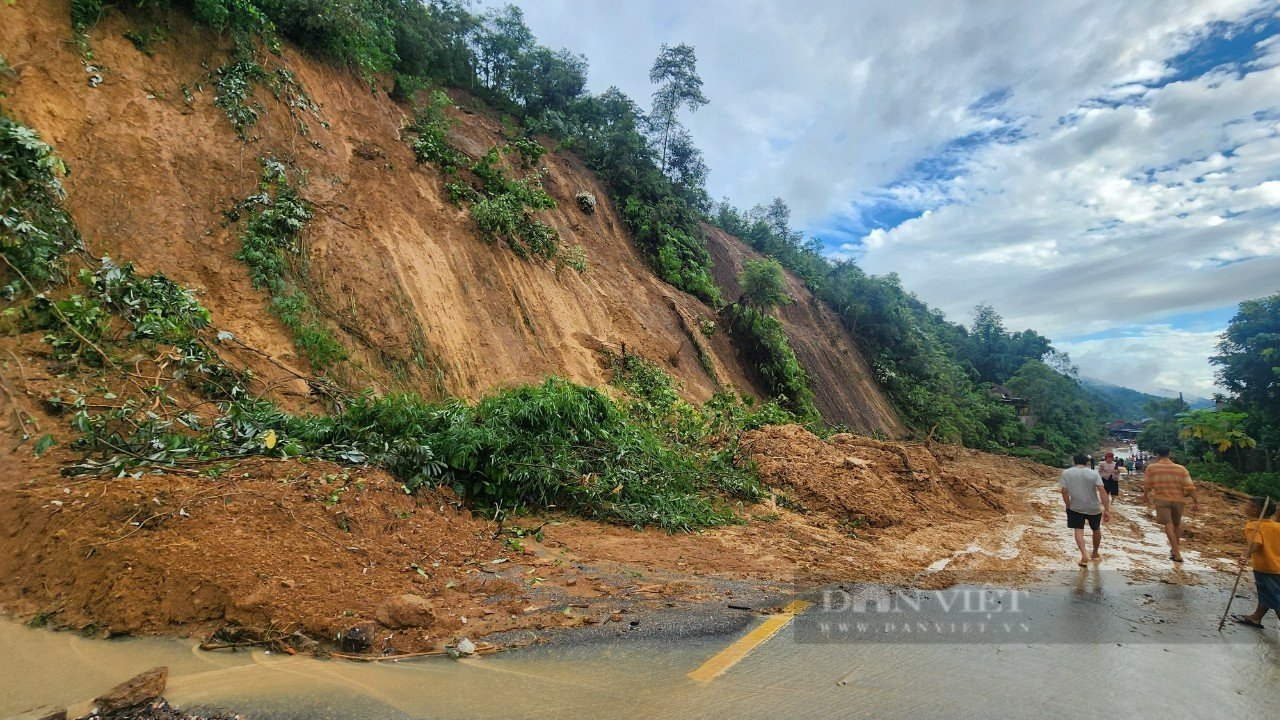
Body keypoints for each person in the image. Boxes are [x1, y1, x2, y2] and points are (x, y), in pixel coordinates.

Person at [1141, 447, 1200, 562]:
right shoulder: (1181, 468)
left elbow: (1147, 485)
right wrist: (1196, 502)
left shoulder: (1151, 468)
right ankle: (1174, 550)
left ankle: (1176, 552)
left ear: (1157, 455)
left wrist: (1145, 496)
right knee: (1177, 525)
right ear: (1169, 454)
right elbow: (1190, 487)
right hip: (1179, 500)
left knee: (1168, 524)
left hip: (1162, 500)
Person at [1233, 496, 1280, 629]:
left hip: (1267, 568)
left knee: (1276, 600)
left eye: (1247, 505)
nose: (1244, 507)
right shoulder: (1277, 526)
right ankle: (1256, 618)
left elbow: (1257, 543)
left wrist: (1245, 555)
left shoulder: (1253, 525)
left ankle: (1256, 618)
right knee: (1268, 594)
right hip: (1278, 568)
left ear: (1254, 510)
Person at [1059, 453, 1112, 567]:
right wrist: (1107, 509)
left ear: (1074, 461)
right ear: (1087, 462)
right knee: (1096, 529)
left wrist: (1068, 505)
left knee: (1078, 531)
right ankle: (1095, 553)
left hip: (1076, 507)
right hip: (1093, 507)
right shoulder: (1093, 473)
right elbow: (1102, 491)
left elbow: (1064, 491)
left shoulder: (1067, 473)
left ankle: (1084, 555)